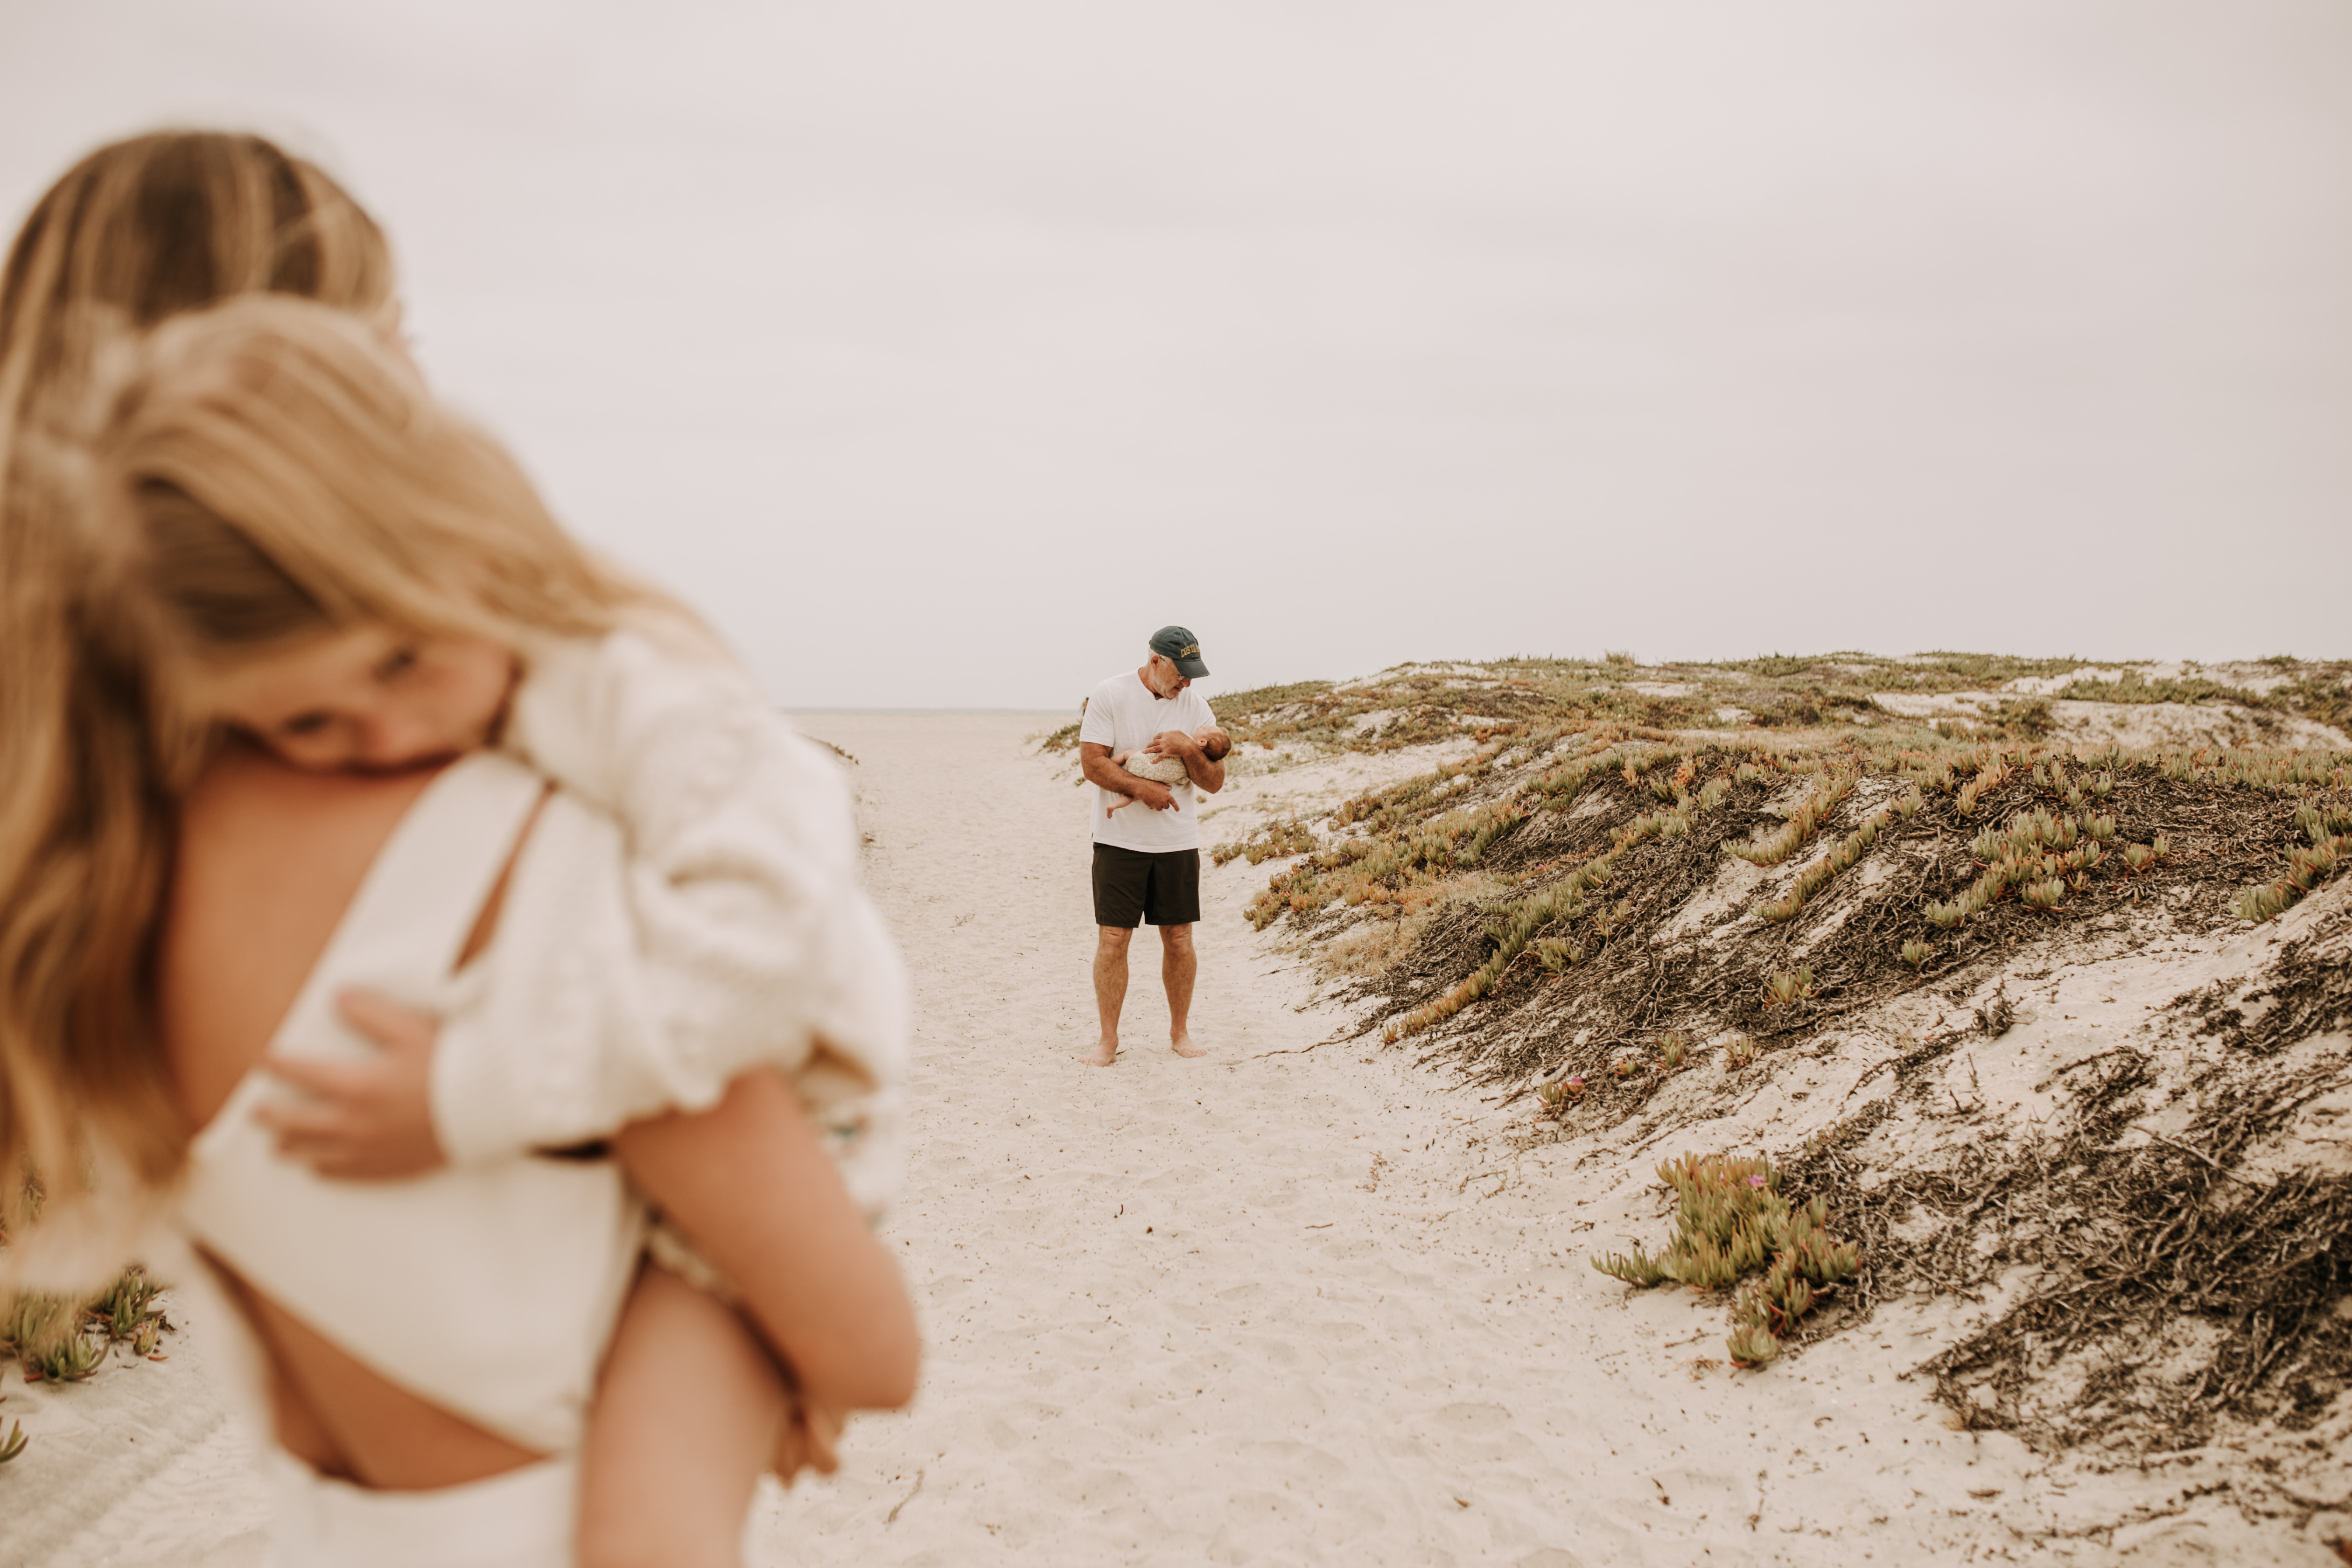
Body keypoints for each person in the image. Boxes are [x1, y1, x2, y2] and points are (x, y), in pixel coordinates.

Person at [0, 131, 915, 1566]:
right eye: (391, 341)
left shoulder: (70, 877)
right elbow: (870, 1346)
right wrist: (745, 1353)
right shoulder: (516, 848)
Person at [1076, 626, 1225, 1066]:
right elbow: (1092, 763)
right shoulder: (1111, 694)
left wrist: (1187, 747)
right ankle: (1108, 1040)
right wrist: (1142, 790)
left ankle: (1180, 1033)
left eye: (1194, 675)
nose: (1188, 684)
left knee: (1179, 940)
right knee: (1113, 939)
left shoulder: (1196, 705)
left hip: (1177, 842)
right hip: (1118, 840)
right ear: (1156, 661)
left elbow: (1215, 782)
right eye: (1182, 673)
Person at [1104, 722, 1232, 814]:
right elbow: (1183, 779)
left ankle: (1108, 765)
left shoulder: (1186, 738)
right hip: (1157, 780)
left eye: (1205, 728)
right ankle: (1114, 806)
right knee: (1132, 796)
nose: (1202, 726)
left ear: (1202, 742)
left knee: (1126, 755)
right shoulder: (1193, 764)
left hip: (1145, 762)